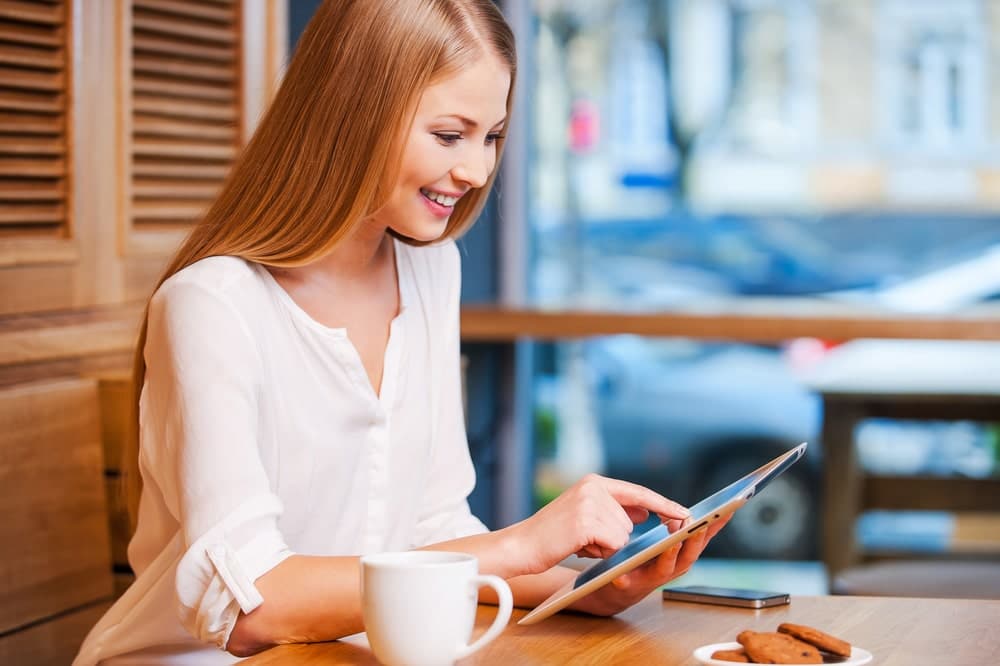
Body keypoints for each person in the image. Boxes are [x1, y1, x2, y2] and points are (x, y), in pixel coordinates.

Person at [74, 1, 730, 663]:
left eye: (492, 137)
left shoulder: (429, 270)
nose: (475, 170)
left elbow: (434, 529)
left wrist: (585, 587)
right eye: (450, 135)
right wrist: (518, 544)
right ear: (352, 113)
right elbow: (252, 605)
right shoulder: (212, 303)